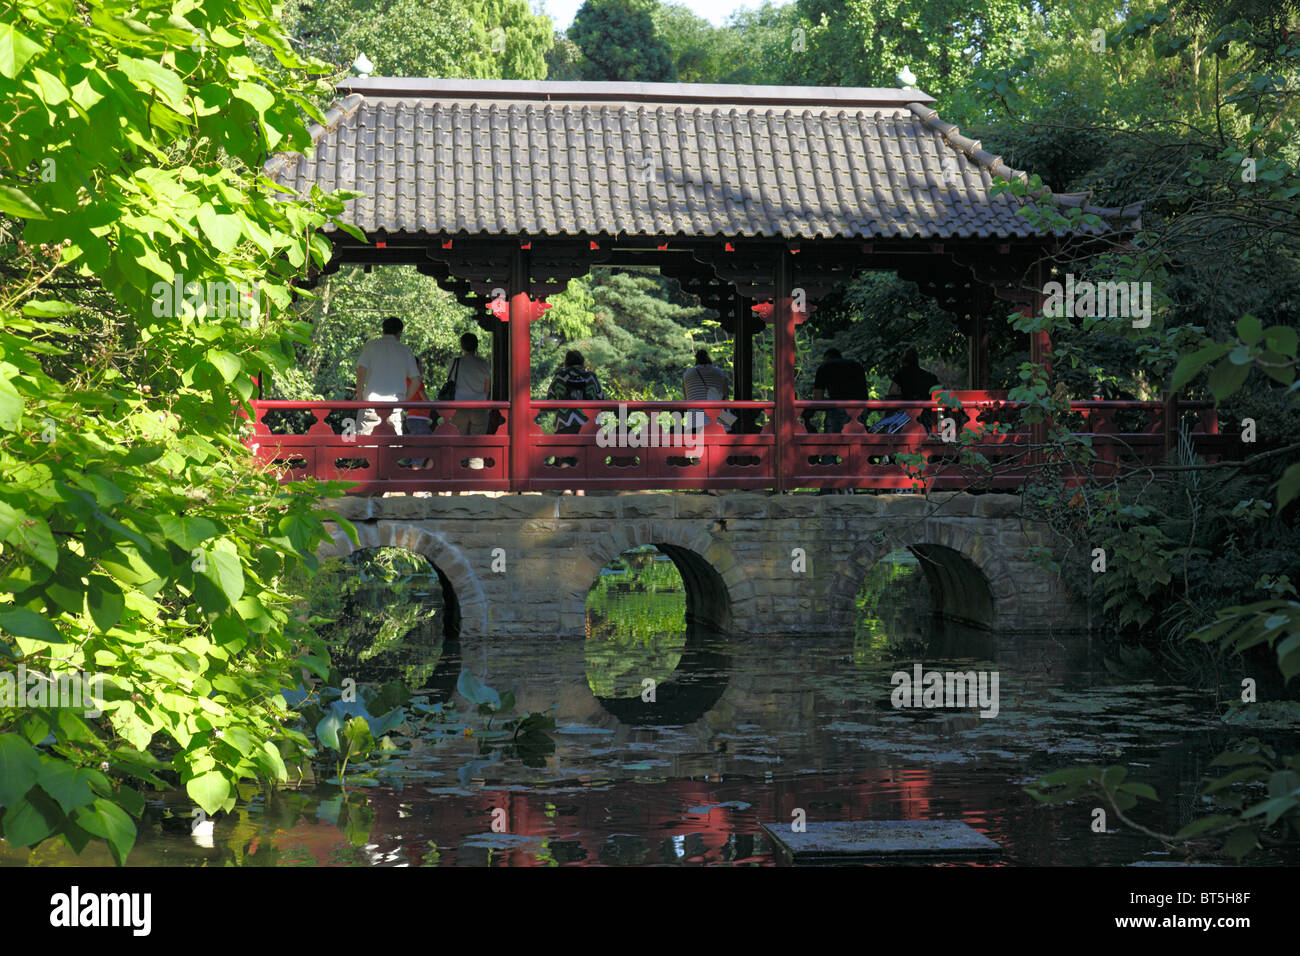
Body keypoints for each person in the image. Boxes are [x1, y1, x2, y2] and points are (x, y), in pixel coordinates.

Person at [355, 316, 420, 436]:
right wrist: (404, 401)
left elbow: (361, 371)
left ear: (383, 331)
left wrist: (360, 397)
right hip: (395, 408)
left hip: (370, 406)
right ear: (399, 333)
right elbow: (416, 381)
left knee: (366, 450)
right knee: (392, 451)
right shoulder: (405, 351)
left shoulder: (371, 346)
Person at [547, 350, 605, 470]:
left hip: (564, 422)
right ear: (582, 361)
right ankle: (580, 488)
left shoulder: (560, 376)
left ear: (566, 362)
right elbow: (601, 398)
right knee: (582, 456)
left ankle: (566, 487)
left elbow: (550, 399)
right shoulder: (590, 376)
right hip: (587, 423)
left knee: (565, 455)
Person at [447, 332, 491, 470]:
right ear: (476, 346)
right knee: (477, 444)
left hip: (459, 407)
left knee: (459, 441)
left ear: (462, 346)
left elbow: (450, 381)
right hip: (479, 406)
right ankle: (474, 479)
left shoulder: (456, 362)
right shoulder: (484, 363)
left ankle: (457, 474)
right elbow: (487, 388)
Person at [810, 347, 869, 434]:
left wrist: (828, 401)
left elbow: (817, 398)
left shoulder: (825, 367)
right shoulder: (857, 366)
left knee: (834, 442)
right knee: (857, 440)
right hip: (859, 410)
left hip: (837, 411)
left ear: (826, 358)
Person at [888, 347, 941, 435]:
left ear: (903, 361)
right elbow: (940, 392)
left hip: (907, 415)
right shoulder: (929, 376)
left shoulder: (901, 374)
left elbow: (892, 391)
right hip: (929, 416)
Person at [683, 349, 731, 432]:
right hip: (719, 422)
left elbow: (686, 398)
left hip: (695, 422)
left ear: (696, 359)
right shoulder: (720, 373)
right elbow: (726, 396)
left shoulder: (687, 374)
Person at [403, 357, 433, 471]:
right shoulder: (416, 381)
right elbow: (425, 400)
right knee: (421, 450)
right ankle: (415, 483)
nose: (422, 367)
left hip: (413, 417)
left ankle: (426, 478)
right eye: (420, 364)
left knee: (432, 446)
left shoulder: (405, 380)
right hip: (418, 418)